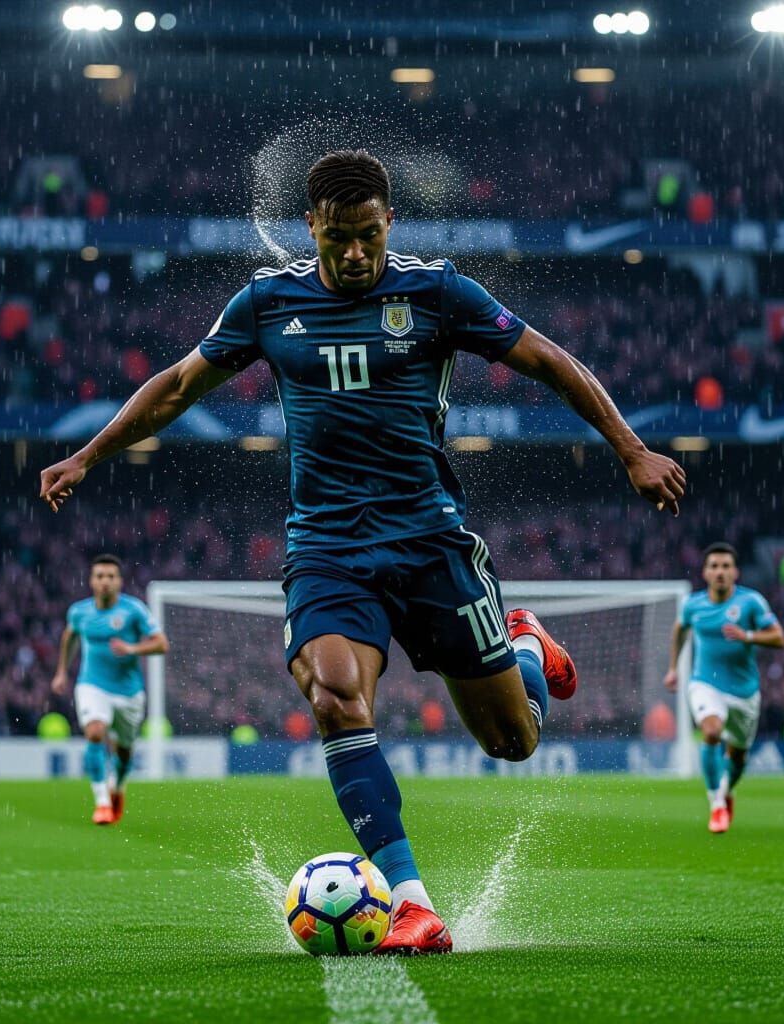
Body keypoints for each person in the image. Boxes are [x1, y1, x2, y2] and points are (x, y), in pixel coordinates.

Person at [40, 150, 686, 950]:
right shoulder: (268, 304)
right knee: (337, 699)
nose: (355, 253)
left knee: (512, 742)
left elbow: (549, 362)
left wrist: (629, 449)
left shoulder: (437, 291)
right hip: (327, 548)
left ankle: (521, 640)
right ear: (310, 225)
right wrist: (86, 456)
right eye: (339, 237)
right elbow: (175, 387)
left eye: (370, 236)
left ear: (390, 223)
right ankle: (411, 901)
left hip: (430, 543)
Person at [664, 542, 784, 834]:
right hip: (705, 682)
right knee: (711, 731)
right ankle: (716, 803)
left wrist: (748, 635)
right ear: (705, 572)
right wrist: (672, 668)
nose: (720, 572)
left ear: (736, 573)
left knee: (739, 756)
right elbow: (680, 629)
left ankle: (726, 790)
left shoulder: (751, 602)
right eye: (714, 566)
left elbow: (779, 638)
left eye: (726, 566)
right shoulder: (692, 605)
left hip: (745, 691)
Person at [51, 554, 169, 825]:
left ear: (119, 582)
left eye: (110, 577)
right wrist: (61, 672)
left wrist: (132, 648)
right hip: (92, 685)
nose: (105, 581)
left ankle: (118, 786)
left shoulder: (134, 610)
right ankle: (102, 802)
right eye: (100, 576)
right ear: (92, 581)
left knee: (124, 750)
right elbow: (70, 636)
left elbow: (162, 644)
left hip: (129, 692)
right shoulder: (79, 612)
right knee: (95, 732)